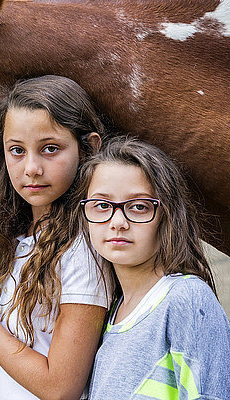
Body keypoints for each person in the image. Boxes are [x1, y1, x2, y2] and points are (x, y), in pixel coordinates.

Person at [0, 75, 112, 400]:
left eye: (50, 149)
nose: (31, 167)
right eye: (17, 150)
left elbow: (60, 387)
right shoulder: (20, 239)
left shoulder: (83, 250)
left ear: (89, 146)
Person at [75, 137, 230, 399]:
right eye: (102, 205)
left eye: (138, 206)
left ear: (166, 216)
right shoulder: (110, 312)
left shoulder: (186, 299)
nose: (118, 222)